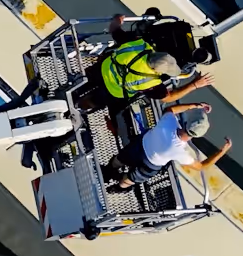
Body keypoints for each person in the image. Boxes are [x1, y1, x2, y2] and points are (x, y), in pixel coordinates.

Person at [77, 14, 215, 110]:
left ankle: (73, 87)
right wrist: (195, 85)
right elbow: (168, 98)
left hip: (102, 69)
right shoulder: (153, 83)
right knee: (93, 101)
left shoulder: (139, 45)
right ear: (158, 71)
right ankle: (76, 107)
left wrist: (118, 19)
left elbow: (114, 29)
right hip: (114, 90)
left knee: (84, 80)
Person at [108, 103, 232, 191]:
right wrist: (222, 151)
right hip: (150, 164)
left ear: (187, 123)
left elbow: (170, 109)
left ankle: (109, 169)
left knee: (120, 159)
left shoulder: (168, 122)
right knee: (129, 179)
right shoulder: (181, 153)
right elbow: (201, 166)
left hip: (139, 145)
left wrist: (195, 105)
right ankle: (118, 188)